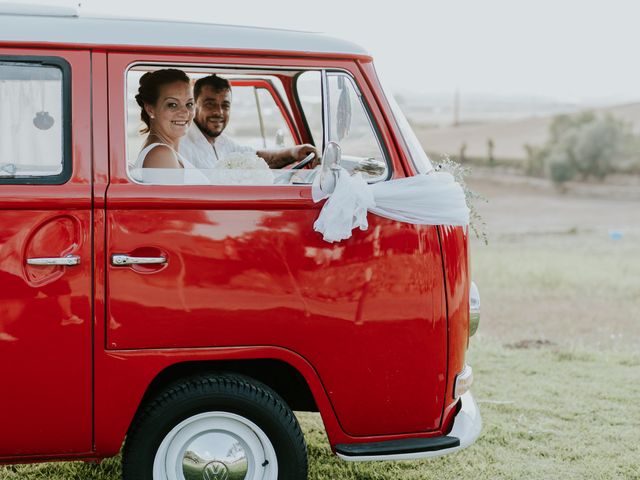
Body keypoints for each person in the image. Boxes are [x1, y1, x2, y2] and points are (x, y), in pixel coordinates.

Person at [180, 74, 317, 169]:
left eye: (225, 105)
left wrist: (294, 152)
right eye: (210, 104)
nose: (219, 112)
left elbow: (255, 159)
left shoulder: (223, 142)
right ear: (194, 106)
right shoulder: (182, 145)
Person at [133, 68, 197, 170]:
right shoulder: (161, 155)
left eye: (189, 104)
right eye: (172, 104)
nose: (185, 112)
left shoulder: (165, 151)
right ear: (150, 109)